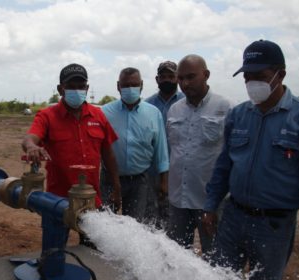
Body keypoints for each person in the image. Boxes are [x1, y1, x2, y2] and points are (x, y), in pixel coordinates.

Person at [202, 40, 299, 280]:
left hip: (274, 225)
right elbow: (224, 166)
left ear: (280, 74)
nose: (252, 83)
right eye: (247, 77)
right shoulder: (239, 115)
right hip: (233, 217)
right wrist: (210, 205)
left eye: (260, 76)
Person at [22, 63, 122, 240]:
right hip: (56, 200)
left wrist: (116, 186)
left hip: (91, 199)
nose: (77, 91)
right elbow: (30, 138)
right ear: (61, 89)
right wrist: (32, 147)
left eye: (81, 86)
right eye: (71, 87)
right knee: (54, 247)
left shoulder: (98, 116)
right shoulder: (47, 116)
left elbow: (108, 154)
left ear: (87, 88)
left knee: (93, 251)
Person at [166, 55, 233, 255]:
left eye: (191, 77)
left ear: (206, 75)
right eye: (181, 78)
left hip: (210, 201)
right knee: (177, 256)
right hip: (179, 198)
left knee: (214, 257)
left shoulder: (227, 107)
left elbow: (233, 156)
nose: (185, 83)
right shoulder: (174, 110)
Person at [100, 67, 168, 222]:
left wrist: (164, 181)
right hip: (109, 179)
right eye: (125, 85)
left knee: (134, 226)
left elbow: (161, 150)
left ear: (141, 85)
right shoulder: (105, 112)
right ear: (118, 86)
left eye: (134, 85)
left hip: (139, 181)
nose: (130, 89)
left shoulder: (153, 113)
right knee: (105, 222)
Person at [145, 61, 186, 229]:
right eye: (163, 77)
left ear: (177, 78)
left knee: (172, 216)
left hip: (177, 170)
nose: (167, 80)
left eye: (171, 76)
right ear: (157, 79)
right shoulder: (147, 105)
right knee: (150, 215)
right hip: (151, 169)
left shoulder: (186, 102)